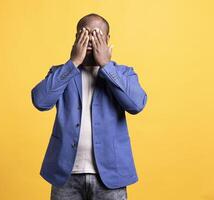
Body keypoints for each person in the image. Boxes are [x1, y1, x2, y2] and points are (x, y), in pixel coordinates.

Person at [31, 13, 148, 200]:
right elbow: (40, 101)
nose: (92, 40)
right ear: (77, 38)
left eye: (98, 35)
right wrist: (73, 63)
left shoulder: (123, 73)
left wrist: (106, 66)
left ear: (108, 39)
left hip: (111, 177)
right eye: (85, 34)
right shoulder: (61, 73)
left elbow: (136, 104)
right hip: (66, 176)